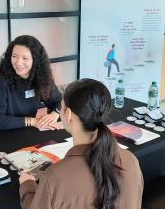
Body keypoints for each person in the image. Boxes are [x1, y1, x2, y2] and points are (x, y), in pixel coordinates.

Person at [19, 79, 143, 209]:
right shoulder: (131, 160)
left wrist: (27, 186)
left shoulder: (55, 177)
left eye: (61, 107)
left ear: (67, 114)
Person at [0, 35, 62, 130]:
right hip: (4, 135)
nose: (18, 62)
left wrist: (54, 114)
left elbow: (58, 101)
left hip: (27, 132)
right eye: (14, 56)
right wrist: (33, 121)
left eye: (25, 58)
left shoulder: (41, 77)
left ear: (36, 60)